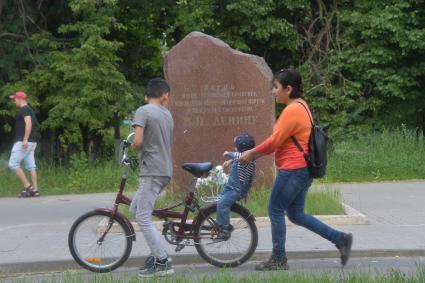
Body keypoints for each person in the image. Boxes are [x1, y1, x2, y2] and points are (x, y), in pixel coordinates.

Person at [239, 69, 353, 271]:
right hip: (303, 169)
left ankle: (279, 259)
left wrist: (251, 153)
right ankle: (341, 239)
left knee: (275, 209)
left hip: (293, 170)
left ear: (288, 89)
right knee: (296, 214)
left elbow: (274, 142)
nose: (273, 92)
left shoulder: (292, 110)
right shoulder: (302, 106)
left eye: (276, 87)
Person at [129, 78, 174, 278]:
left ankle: (162, 261)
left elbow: (137, 142)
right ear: (165, 95)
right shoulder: (167, 114)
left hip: (152, 170)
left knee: (142, 216)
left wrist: (130, 147)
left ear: (147, 96)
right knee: (135, 209)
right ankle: (158, 253)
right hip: (164, 169)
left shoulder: (143, 110)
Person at [216, 133, 256, 238]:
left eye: (236, 147)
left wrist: (228, 153)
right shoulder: (246, 157)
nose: (235, 148)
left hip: (235, 190)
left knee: (222, 204)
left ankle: (225, 227)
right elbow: (239, 158)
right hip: (231, 187)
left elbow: (239, 156)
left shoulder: (249, 158)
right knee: (219, 201)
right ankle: (219, 223)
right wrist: (230, 161)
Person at [8, 91, 40, 198]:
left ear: (20, 99)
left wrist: (25, 139)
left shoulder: (24, 109)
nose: (14, 101)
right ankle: (35, 191)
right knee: (31, 166)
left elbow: (29, 123)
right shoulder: (29, 109)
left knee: (13, 164)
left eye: (15, 99)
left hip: (24, 142)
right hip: (32, 142)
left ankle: (27, 186)